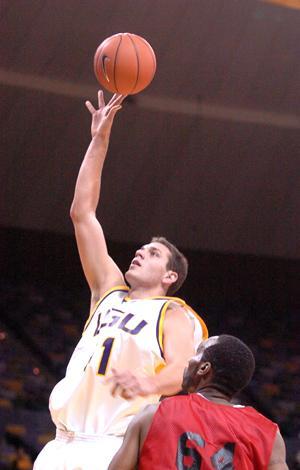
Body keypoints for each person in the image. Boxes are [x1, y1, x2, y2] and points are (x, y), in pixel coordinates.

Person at [33, 91, 208, 470]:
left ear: (170, 275)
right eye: (141, 248)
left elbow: (185, 368)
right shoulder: (108, 291)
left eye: (154, 253)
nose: (141, 252)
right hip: (60, 444)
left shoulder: (174, 313)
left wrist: (151, 385)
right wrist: (99, 139)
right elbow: (82, 212)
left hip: (112, 447)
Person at [109, 335, 288, 470]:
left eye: (197, 352)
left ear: (204, 368)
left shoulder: (153, 414)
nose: (189, 360)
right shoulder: (268, 434)